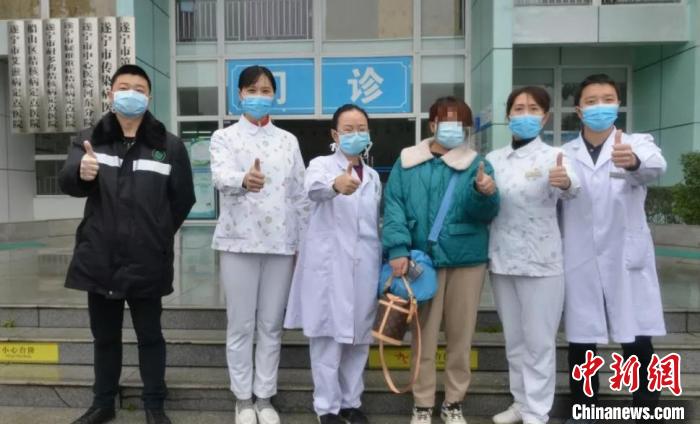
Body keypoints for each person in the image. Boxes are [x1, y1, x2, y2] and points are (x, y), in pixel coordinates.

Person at [59, 64, 196, 424]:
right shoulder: (89, 140)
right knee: (105, 338)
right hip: (99, 259)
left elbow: (183, 199)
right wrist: (81, 173)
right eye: (123, 87)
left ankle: (154, 405)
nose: (131, 93)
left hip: (147, 261)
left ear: (149, 97)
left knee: (150, 336)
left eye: (139, 88)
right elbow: (68, 182)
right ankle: (103, 404)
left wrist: (157, 233)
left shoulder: (169, 146)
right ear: (110, 94)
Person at [382, 96, 500, 424]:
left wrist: (485, 193)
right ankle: (422, 403)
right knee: (423, 336)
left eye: (460, 124)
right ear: (432, 124)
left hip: (467, 260)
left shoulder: (478, 164)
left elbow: (487, 213)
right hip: (423, 262)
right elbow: (394, 206)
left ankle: (453, 402)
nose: (452, 129)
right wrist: (397, 249)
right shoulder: (408, 161)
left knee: (461, 336)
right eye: (446, 122)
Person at [559, 74, 667, 424]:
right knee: (582, 338)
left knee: (637, 336)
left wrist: (632, 162)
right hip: (580, 255)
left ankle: (646, 406)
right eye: (591, 101)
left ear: (618, 104)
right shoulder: (564, 153)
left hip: (625, 254)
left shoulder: (636, 143)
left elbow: (655, 167)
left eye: (607, 99)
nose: (600, 106)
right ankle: (585, 407)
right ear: (579, 110)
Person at [209, 65, 309, 424]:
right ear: (240, 94)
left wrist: (304, 242)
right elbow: (219, 176)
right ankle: (242, 399)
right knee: (241, 325)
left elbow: (299, 194)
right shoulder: (224, 137)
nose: (259, 96)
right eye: (252, 90)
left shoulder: (288, 141)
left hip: (280, 244)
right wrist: (243, 179)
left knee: (270, 325)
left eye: (265, 90)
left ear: (274, 96)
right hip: (239, 242)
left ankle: (264, 397)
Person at [486, 86, 580, 424]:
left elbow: (573, 188)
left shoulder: (555, 156)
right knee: (515, 340)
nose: (525, 114)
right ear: (508, 115)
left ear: (545, 117)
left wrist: (565, 181)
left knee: (539, 342)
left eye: (533, 109)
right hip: (502, 260)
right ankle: (521, 403)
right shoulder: (494, 159)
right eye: (518, 108)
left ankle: (537, 413)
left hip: (541, 263)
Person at [284, 104, 381, 424]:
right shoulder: (321, 165)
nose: (356, 134)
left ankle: (351, 402)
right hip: (329, 268)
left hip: (364, 267)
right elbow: (313, 190)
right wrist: (336, 186)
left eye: (361, 128)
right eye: (348, 129)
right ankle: (326, 407)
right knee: (327, 341)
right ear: (335, 135)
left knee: (358, 339)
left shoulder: (373, 176)